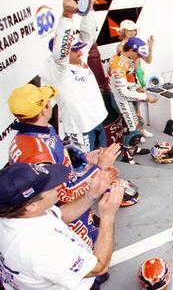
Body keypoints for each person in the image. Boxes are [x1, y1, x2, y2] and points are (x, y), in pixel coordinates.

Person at [7, 83, 122, 249]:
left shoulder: (34, 132)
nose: (51, 104)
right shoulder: (39, 155)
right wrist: (100, 169)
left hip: (74, 210)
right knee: (91, 259)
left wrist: (84, 159)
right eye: (47, 101)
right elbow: (64, 195)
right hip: (67, 217)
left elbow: (60, 159)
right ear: (44, 110)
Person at [0, 162, 124, 290]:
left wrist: (91, 195)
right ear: (31, 206)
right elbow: (100, 267)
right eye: (49, 186)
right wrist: (108, 216)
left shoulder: (16, 213)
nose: (59, 186)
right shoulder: (42, 247)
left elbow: (60, 215)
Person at [41, 0, 107, 153]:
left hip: (97, 121)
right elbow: (61, 52)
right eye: (74, 50)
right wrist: (67, 15)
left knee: (104, 163)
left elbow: (88, 36)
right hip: (80, 128)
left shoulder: (78, 58)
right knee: (85, 170)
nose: (80, 52)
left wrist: (89, 8)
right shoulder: (58, 70)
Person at [107, 37, 158, 163]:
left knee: (134, 127)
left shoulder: (124, 58)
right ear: (130, 50)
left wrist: (137, 87)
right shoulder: (117, 64)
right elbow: (123, 92)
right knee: (133, 131)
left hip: (125, 97)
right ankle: (126, 156)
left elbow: (126, 84)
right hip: (120, 100)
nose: (138, 57)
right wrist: (146, 97)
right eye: (137, 54)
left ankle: (132, 149)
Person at [117, 19, 154, 140]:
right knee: (130, 109)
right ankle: (135, 133)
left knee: (137, 108)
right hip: (126, 81)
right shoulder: (120, 46)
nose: (132, 33)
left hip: (136, 80)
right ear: (123, 31)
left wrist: (149, 48)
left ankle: (140, 130)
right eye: (129, 31)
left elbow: (148, 60)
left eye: (134, 30)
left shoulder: (138, 44)